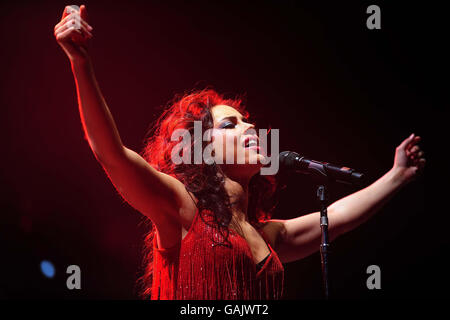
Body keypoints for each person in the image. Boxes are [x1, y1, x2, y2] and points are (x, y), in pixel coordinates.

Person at [53, 5, 426, 300]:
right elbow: (110, 153)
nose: (250, 128)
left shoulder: (268, 235)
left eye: (248, 122)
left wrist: (397, 175)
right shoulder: (181, 206)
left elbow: (336, 219)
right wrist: (81, 64)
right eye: (230, 125)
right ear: (201, 149)